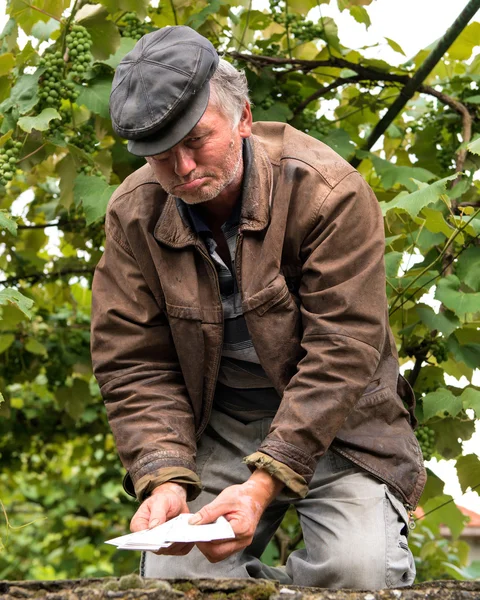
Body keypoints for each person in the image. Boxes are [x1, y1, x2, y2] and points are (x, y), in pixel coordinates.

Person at [91, 25, 426, 589]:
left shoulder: (329, 192)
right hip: (224, 423)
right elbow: (133, 362)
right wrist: (164, 478)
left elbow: (342, 351)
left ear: (243, 117)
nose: (184, 169)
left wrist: (264, 481)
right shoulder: (133, 215)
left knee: (358, 573)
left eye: (197, 141)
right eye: (160, 157)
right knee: (176, 576)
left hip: (342, 424)